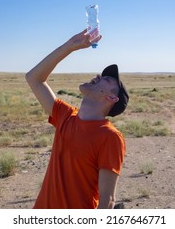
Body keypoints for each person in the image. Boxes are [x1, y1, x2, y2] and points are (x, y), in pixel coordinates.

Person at [25, 29, 129, 209]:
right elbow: (33, 78)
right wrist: (69, 46)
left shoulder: (110, 137)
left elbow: (107, 199)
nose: (98, 76)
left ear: (112, 98)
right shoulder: (65, 116)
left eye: (107, 79)